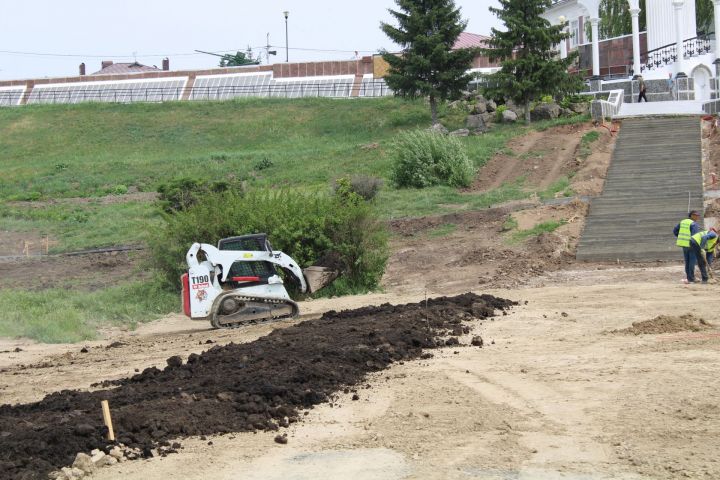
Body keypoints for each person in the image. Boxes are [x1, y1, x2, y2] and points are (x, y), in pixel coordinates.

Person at [673, 210, 701, 283]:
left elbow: (675, 231)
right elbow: (695, 236)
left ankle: (689, 278)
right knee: (692, 262)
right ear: (691, 216)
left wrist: (681, 237)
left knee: (687, 261)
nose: (697, 217)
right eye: (696, 215)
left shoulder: (682, 221)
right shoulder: (694, 224)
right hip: (691, 245)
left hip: (684, 244)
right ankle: (691, 279)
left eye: (698, 215)